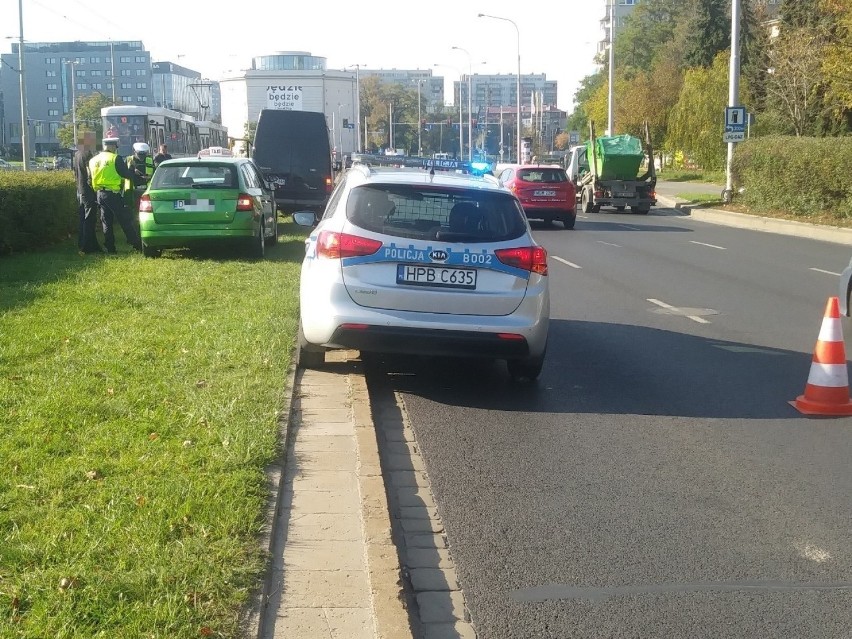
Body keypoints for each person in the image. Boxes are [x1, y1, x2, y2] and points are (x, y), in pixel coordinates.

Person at [89, 137, 142, 253]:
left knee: (106, 221)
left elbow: (90, 178)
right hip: (113, 193)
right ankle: (136, 244)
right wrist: (132, 167)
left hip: (99, 194)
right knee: (125, 219)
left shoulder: (93, 160)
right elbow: (127, 175)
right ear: (113, 147)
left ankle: (110, 248)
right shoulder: (115, 158)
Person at [73, 131, 103, 255]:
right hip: (88, 191)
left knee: (83, 218)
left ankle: (86, 244)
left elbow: (75, 172)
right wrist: (94, 188)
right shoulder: (88, 155)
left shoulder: (77, 154)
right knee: (89, 219)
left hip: (79, 189)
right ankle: (86, 247)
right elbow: (90, 174)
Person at [124, 142, 154, 215]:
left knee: (145, 210)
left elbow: (155, 173)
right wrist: (133, 170)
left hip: (146, 190)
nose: (141, 157)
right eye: (139, 154)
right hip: (131, 190)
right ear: (134, 152)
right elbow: (123, 173)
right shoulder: (128, 160)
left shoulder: (150, 160)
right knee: (132, 210)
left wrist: (149, 177)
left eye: (143, 155)